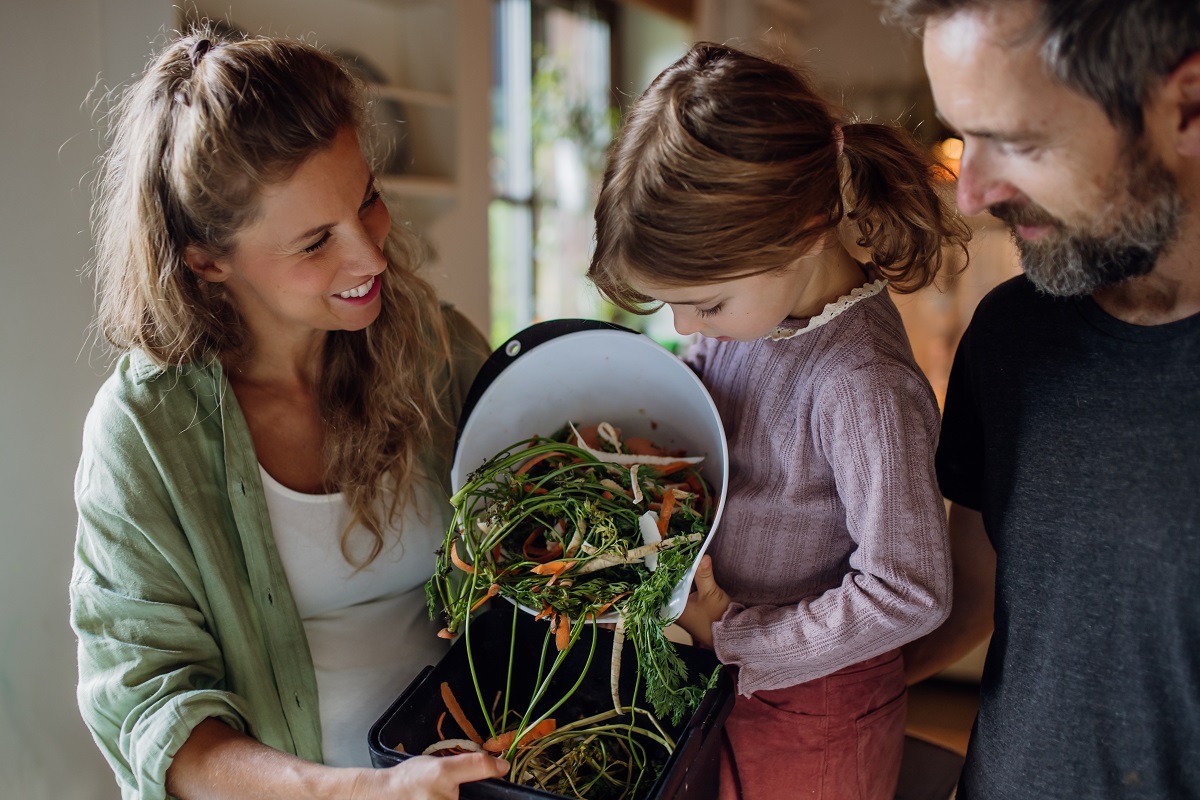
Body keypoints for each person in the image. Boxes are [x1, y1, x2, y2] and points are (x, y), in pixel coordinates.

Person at [70, 28, 507, 799]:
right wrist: (366, 791)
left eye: (367, 199)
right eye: (314, 243)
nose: (371, 258)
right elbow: (153, 716)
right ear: (208, 259)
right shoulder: (142, 435)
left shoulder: (432, 345)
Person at [588, 42, 970, 800]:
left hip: (814, 708)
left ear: (802, 230)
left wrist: (734, 636)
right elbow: (705, 423)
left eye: (706, 303)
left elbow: (910, 591)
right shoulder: (746, 323)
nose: (686, 322)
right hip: (725, 674)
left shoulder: (860, 381)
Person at [879, 0, 1200, 797]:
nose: (971, 194)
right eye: (964, 133)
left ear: (1186, 106)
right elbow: (974, 599)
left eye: (1018, 141)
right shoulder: (1013, 335)